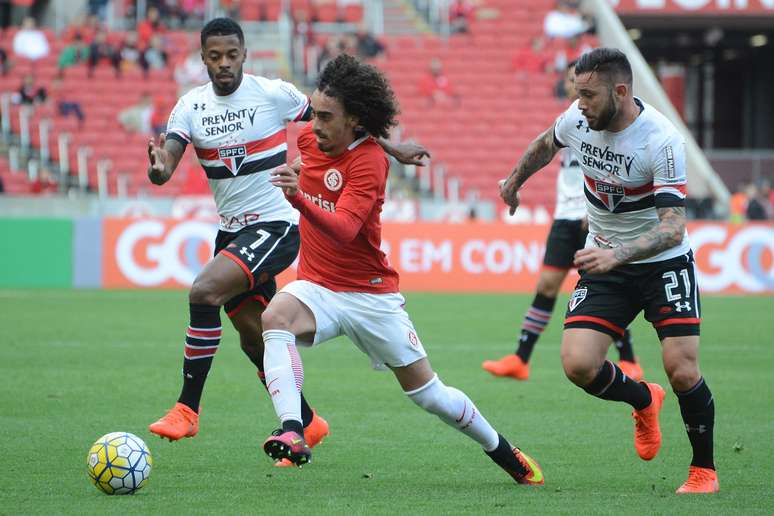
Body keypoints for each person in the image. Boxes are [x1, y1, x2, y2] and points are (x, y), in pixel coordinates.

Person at [145, 18, 430, 464]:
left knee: (204, 291)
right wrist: (160, 168)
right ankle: (308, 420)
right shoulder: (189, 108)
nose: (224, 64)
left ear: (244, 54)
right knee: (253, 337)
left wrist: (392, 148)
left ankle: (187, 409)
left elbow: (342, 123)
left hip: (278, 224)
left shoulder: (271, 93)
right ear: (203, 59)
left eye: (231, 55)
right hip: (233, 230)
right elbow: (168, 163)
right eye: (214, 56)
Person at [260, 54, 543, 487]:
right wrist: (302, 174)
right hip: (318, 286)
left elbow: (344, 230)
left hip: (371, 298)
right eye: (313, 114)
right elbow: (322, 156)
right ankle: (294, 430)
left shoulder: (370, 162)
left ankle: (503, 451)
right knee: (273, 318)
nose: (312, 125)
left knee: (431, 396)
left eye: (324, 117)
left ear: (354, 120)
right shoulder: (308, 141)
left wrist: (299, 197)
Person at [499, 48, 718, 494]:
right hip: (606, 259)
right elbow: (545, 144)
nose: (581, 104)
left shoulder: (661, 140)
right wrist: (513, 182)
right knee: (578, 364)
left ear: (620, 91)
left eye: (589, 95)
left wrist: (618, 254)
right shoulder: (579, 120)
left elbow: (673, 229)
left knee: (682, 369)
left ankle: (703, 471)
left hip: (661, 263)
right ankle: (643, 398)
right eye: (578, 95)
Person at [483, 61, 644, 383]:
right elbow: (543, 151)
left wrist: (594, 209)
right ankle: (520, 359)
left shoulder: (606, 124)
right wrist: (515, 182)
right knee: (546, 286)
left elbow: (612, 170)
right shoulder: (573, 121)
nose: (573, 86)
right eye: (572, 81)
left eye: (580, 82)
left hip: (591, 219)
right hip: (563, 218)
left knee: (602, 291)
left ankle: (628, 360)